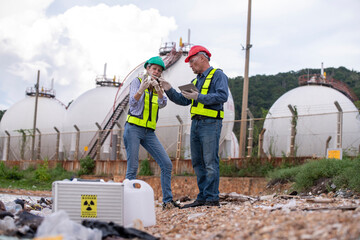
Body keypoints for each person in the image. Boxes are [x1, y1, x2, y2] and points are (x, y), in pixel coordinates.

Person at [160, 45, 229, 208]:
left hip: (211, 123)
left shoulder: (218, 75)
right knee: (198, 162)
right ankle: (203, 197)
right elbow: (184, 100)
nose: (190, 65)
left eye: (191, 61)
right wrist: (169, 89)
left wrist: (198, 96)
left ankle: (212, 198)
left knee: (210, 161)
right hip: (197, 124)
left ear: (202, 58)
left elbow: (222, 96)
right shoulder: (196, 81)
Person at [123, 56, 180, 210]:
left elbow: (163, 103)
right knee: (133, 167)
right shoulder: (137, 81)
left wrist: (159, 90)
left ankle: (167, 201)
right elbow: (133, 103)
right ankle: (127, 203)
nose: (156, 72)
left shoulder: (157, 86)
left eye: (159, 70)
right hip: (133, 128)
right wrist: (142, 88)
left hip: (149, 132)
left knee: (166, 164)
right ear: (147, 68)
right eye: (154, 68)